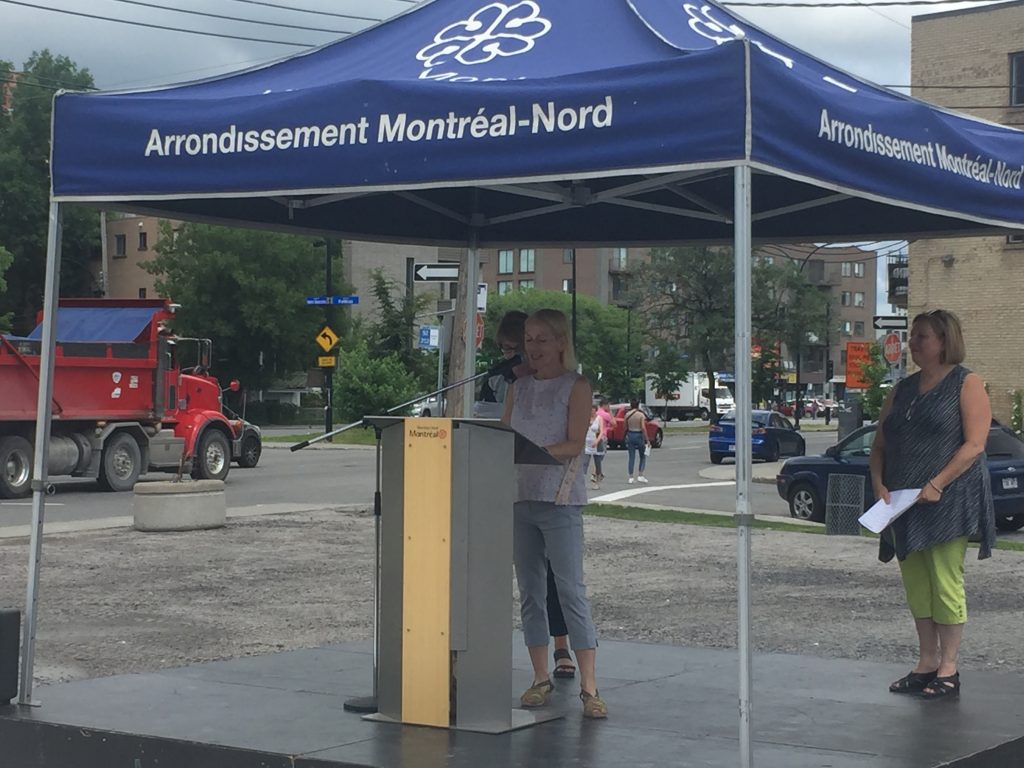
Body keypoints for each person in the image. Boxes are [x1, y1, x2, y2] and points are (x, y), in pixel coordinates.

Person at [869, 309, 995, 700]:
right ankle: (926, 663)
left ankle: (949, 668)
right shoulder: (902, 389)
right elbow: (881, 441)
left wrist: (937, 482)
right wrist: (878, 483)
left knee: (945, 582)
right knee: (917, 585)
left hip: (948, 499)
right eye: (912, 335)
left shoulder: (966, 382)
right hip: (903, 502)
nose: (913, 342)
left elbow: (975, 444)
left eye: (921, 336)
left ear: (944, 340)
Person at [503, 308, 606, 718]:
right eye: (529, 339)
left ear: (562, 342)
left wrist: (539, 453)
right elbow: (504, 435)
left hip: (559, 498)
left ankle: (589, 685)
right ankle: (539, 676)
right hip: (519, 496)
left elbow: (575, 443)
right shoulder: (519, 387)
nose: (533, 347)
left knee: (570, 590)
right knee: (530, 591)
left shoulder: (575, 386)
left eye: (543, 339)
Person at [481, 310, 576, 680]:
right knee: (527, 576)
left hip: (551, 489)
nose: (513, 356)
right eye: (505, 349)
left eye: (517, 348)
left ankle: (562, 644)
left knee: (556, 574)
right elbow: (488, 424)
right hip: (511, 483)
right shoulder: (498, 380)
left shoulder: (560, 382)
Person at [623, 398, 650, 484]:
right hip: (639, 435)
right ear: (638, 405)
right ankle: (640, 475)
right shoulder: (641, 415)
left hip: (630, 434)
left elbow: (625, 427)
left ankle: (631, 477)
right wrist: (647, 439)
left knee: (631, 456)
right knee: (642, 456)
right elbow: (643, 427)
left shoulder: (627, 415)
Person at [585, 404, 607, 489]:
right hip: (587, 442)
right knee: (584, 462)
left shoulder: (599, 418)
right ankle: (583, 481)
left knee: (597, 463)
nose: (591, 411)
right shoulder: (586, 418)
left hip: (596, 442)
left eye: (593, 410)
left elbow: (601, 431)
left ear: (595, 410)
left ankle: (597, 481)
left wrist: (597, 441)